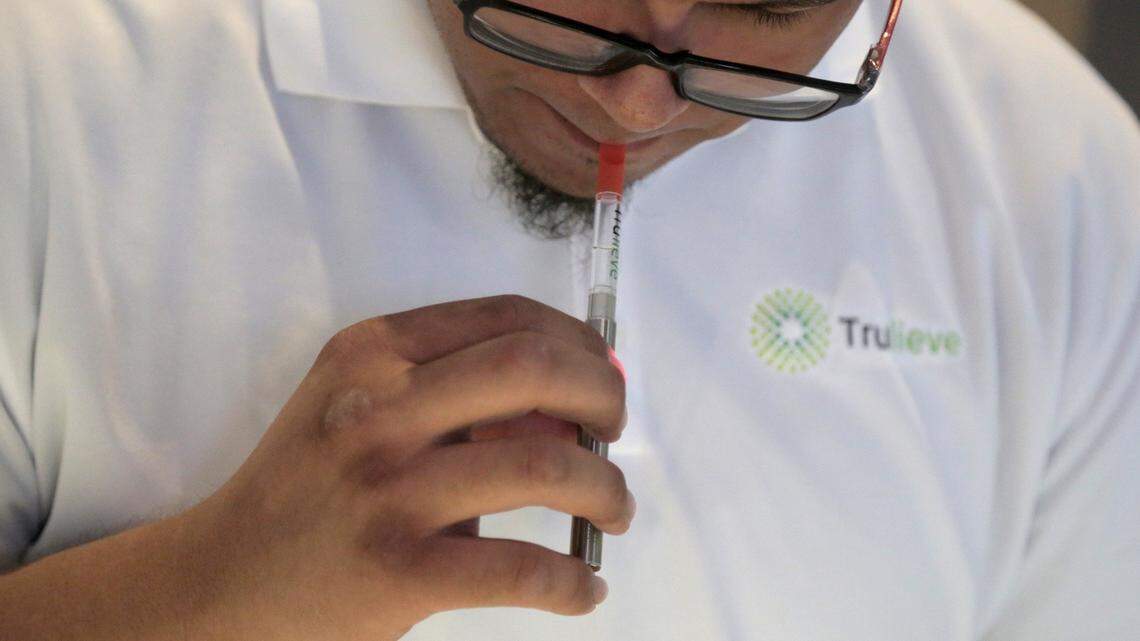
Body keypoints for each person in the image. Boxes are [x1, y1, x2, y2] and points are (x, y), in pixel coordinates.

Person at [0, 0, 1137, 639]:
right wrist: (199, 597)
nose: (636, 97)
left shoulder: (1052, 177)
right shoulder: (53, 75)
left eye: (765, 9)